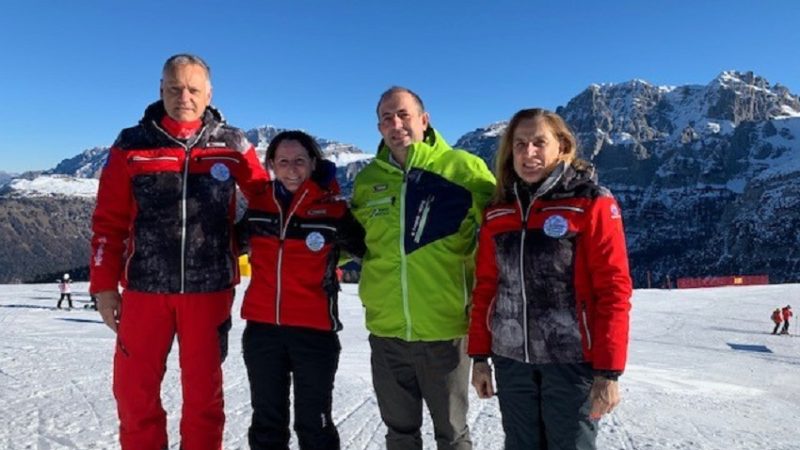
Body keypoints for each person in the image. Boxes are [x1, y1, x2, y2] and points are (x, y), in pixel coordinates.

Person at [89, 53, 268, 450]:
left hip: (209, 291)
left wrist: (235, 241)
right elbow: (107, 222)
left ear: (209, 94)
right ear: (161, 90)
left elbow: (265, 203)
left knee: (204, 398)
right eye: (174, 88)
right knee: (134, 394)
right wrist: (103, 287)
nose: (183, 97)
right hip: (144, 290)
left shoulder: (233, 144)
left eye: (192, 89)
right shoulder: (131, 145)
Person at [468, 108, 633, 449]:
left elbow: (613, 290)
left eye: (539, 143)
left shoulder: (590, 202)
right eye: (520, 144)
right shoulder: (498, 210)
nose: (528, 153)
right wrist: (480, 358)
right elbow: (486, 288)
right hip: (511, 361)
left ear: (562, 146)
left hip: (571, 362)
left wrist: (609, 372)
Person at [350, 87, 496, 449]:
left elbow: (504, 228)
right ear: (379, 128)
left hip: (445, 331)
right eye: (386, 118)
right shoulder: (368, 180)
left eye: (403, 114)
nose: (395, 124)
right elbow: (351, 242)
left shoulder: (462, 168)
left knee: (452, 433)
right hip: (386, 331)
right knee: (400, 433)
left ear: (424, 120)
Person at [239, 130, 366, 449]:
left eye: (299, 161)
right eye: (283, 161)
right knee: (266, 422)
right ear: (271, 164)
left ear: (313, 163)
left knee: (315, 424)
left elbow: (370, 250)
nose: (291, 169)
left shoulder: (333, 210)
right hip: (263, 330)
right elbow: (227, 244)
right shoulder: (259, 205)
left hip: (315, 332)